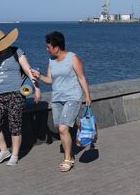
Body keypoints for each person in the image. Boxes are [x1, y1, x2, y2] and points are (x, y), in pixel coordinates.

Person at [32, 31, 91, 172]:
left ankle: (68, 159)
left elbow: (81, 77)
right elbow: (51, 80)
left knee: (63, 128)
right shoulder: (51, 61)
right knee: (62, 128)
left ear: (57, 47)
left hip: (73, 97)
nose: (47, 49)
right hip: (57, 99)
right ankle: (70, 153)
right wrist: (39, 76)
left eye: (49, 47)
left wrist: (87, 96)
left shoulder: (73, 58)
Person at [0, 28, 41, 166]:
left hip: (15, 93)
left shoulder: (16, 52)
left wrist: (37, 88)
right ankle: (4, 151)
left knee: (15, 124)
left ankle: (15, 154)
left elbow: (28, 70)